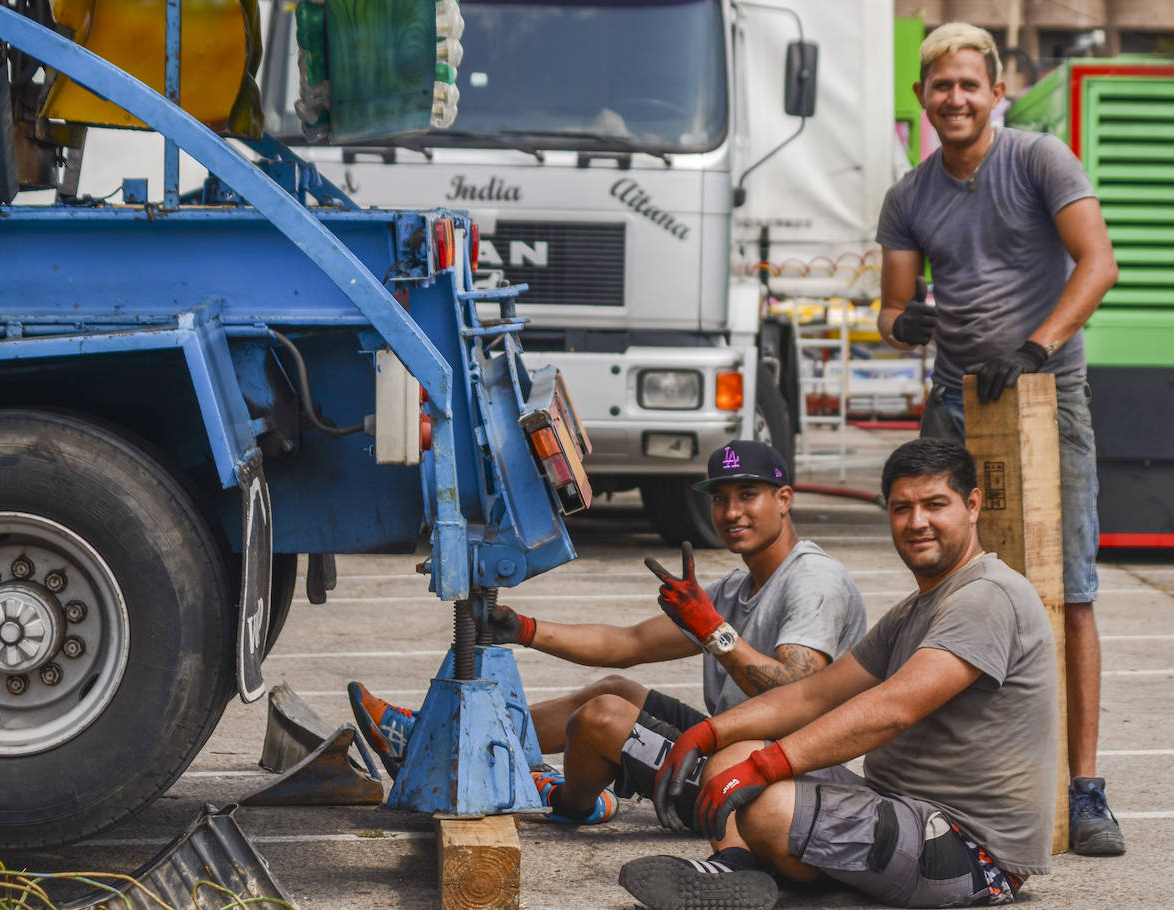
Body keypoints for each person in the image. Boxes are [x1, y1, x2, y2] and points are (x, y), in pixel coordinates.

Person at [874, 22, 1123, 855]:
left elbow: (1098, 263)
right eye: (940, 86)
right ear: (922, 98)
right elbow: (891, 312)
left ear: (995, 91)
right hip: (956, 402)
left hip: (1048, 392)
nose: (955, 99)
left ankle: (1084, 792)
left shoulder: (1040, 160)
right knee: (946, 586)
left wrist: (1037, 347)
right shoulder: (909, 194)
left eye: (969, 85)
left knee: (1071, 589)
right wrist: (903, 323)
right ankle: (953, 775)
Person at [619, 438, 1057, 910]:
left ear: (972, 506)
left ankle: (782, 872)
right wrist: (707, 734)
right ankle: (741, 872)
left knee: (767, 806)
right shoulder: (917, 608)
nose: (917, 523)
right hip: (901, 808)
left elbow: (893, 709)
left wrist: (767, 767)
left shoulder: (987, 595)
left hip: (969, 849)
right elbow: (813, 696)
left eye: (934, 505)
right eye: (902, 508)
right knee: (734, 752)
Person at [349, 439, 867, 827]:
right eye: (721, 498)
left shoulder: (813, 581)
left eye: (748, 495)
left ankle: (571, 803)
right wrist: (524, 629)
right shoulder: (739, 584)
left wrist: (712, 629)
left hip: (770, 786)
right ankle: (431, 744)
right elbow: (629, 644)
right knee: (612, 691)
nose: (731, 512)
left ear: (785, 499)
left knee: (601, 719)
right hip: (732, 745)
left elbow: (793, 695)